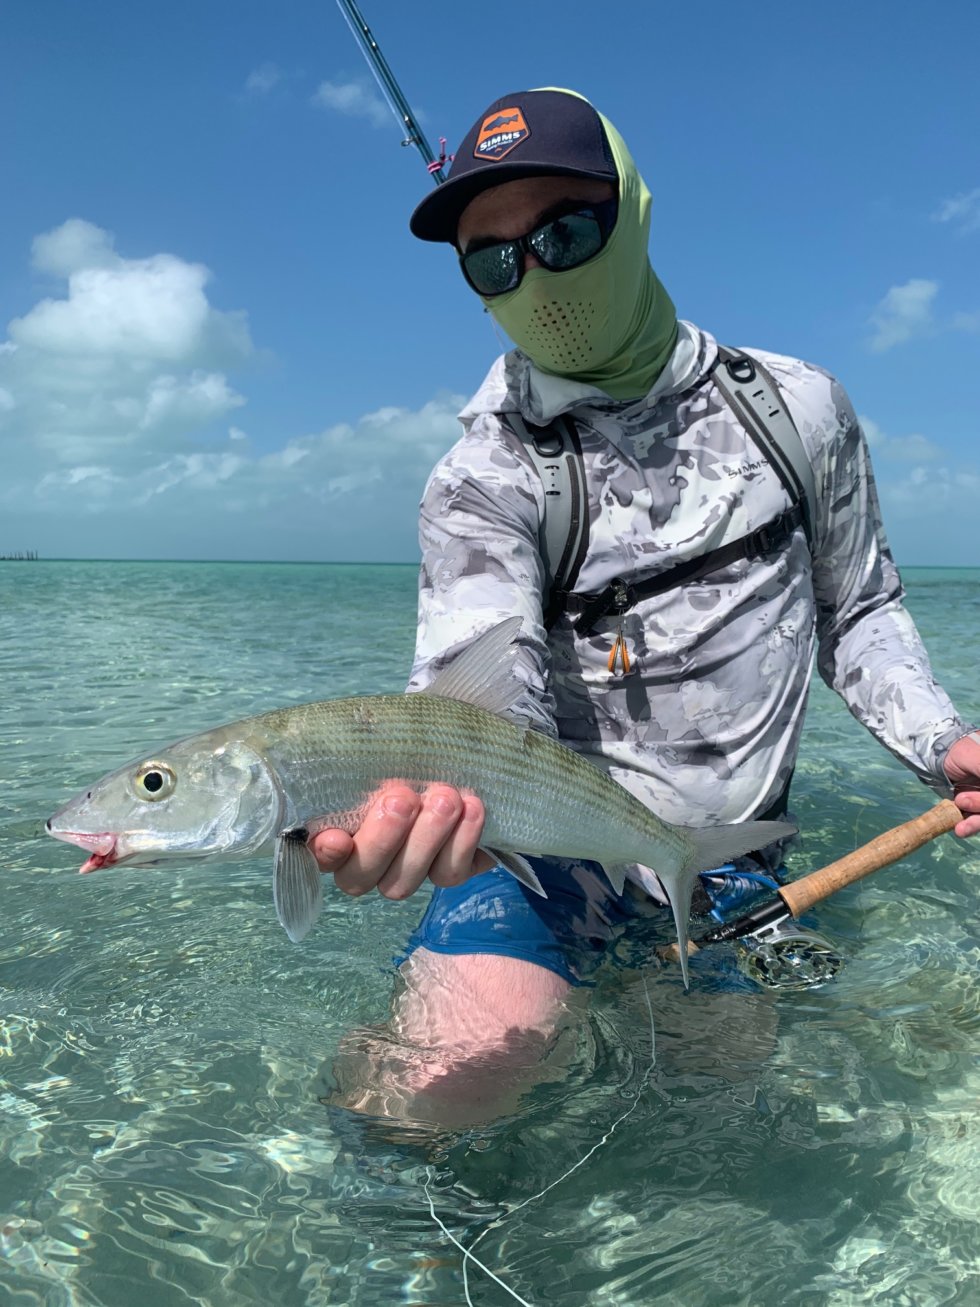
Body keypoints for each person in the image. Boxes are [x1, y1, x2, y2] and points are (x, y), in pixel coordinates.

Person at [313, 89, 980, 1115]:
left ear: (632, 211)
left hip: (729, 854)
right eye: (494, 261)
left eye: (563, 231)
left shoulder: (795, 409)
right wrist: (443, 805)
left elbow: (855, 613)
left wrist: (942, 742)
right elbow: (485, 699)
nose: (532, 276)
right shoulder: (481, 475)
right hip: (542, 851)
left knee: (715, 1115)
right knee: (435, 1090)